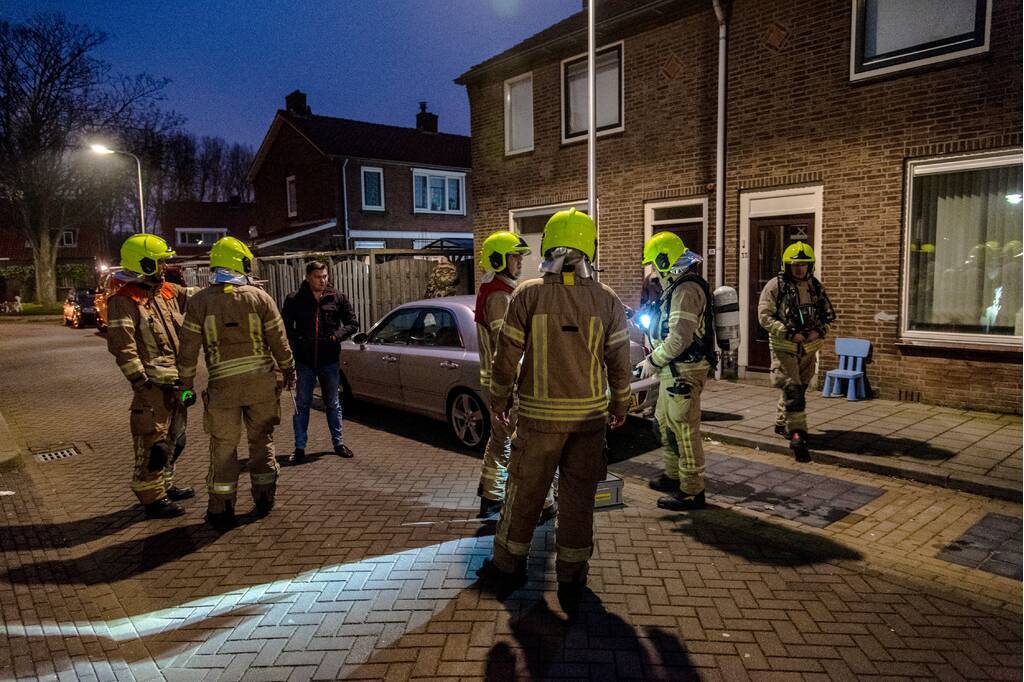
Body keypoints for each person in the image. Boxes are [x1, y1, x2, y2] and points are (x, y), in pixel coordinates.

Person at [476, 208, 632, 618]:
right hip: (589, 424)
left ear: (548, 247)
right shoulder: (607, 299)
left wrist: (499, 399)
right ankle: (572, 577)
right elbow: (620, 361)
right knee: (578, 502)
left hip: (538, 422)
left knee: (523, 495)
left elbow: (506, 355)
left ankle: (507, 568)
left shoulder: (527, 294)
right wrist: (620, 405)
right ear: (589, 249)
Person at [177, 237, 295, 530]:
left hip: (222, 391)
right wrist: (288, 370)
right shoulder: (260, 298)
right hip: (261, 389)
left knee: (223, 449)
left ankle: (221, 508)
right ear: (239, 262)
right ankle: (264, 498)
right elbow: (279, 341)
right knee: (261, 443)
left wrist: (185, 386)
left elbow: (188, 349)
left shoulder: (199, 302)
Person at [105, 233, 194, 519]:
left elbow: (195, 296)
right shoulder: (123, 300)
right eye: (159, 262)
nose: (164, 267)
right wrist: (141, 383)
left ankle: (166, 486)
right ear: (143, 263)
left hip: (175, 381)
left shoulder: (164, 291)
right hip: (152, 386)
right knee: (153, 445)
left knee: (175, 439)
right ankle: (152, 498)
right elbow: (123, 347)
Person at [474, 231, 556, 522]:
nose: (520, 262)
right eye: (514, 256)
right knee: (524, 444)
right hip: (508, 382)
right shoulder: (499, 296)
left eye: (521, 256)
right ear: (498, 259)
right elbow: (506, 346)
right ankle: (542, 503)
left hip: (500, 382)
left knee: (501, 440)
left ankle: (492, 496)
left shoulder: (498, 289)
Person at [638, 232, 715, 511]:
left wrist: (653, 360)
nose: (654, 271)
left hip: (684, 370)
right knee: (664, 423)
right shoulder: (675, 288)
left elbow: (679, 338)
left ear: (665, 260)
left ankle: (692, 491)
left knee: (684, 429)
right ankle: (674, 477)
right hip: (673, 369)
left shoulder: (685, 290)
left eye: (656, 265)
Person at [757, 241, 835, 462]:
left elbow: (827, 315)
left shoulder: (815, 287)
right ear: (786, 265)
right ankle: (798, 434)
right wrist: (789, 333)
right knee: (793, 389)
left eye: (803, 265)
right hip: (785, 346)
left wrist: (819, 332)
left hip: (809, 348)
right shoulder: (775, 287)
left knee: (798, 387)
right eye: (794, 265)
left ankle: (782, 423)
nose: (799, 269)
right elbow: (764, 316)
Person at [281, 261, 359, 463]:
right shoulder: (295, 299)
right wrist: (298, 339)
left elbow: (352, 323)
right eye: (318, 277)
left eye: (325, 276)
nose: (323, 280)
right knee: (302, 404)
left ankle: (338, 443)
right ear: (308, 277)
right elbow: (285, 326)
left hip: (329, 360)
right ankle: (299, 448)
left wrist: (336, 336)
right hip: (304, 361)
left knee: (333, 403)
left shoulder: (337, 297)